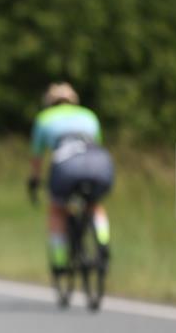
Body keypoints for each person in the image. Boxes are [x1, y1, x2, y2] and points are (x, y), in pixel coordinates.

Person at [28, 82, 113, 275]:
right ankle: (103, 242)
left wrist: (34, 180)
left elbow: (37, 158)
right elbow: (97, 144)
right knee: (94, 205)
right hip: (99, 163)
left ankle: (59, 263)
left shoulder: (44, 118)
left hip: (66, 166)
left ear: (50, 103)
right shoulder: (89, 115)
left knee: (57, 209)